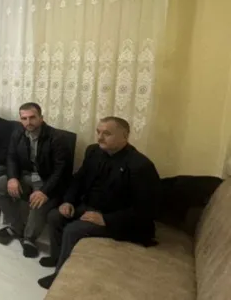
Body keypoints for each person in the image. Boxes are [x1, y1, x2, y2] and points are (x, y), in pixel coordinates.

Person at [37, 117, 161, 289]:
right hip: (88, 207)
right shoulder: (93, 151)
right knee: (54, 216)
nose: (100, 137)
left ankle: (60, 276)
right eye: (98, 132)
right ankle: (57, 257)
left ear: (125, 136)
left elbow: (147, 209)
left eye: (107, 134)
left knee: (73, 230)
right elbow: (78, 179)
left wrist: (106, 220)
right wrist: (68, 201)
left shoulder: (140, 165)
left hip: (117, 218)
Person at [0, 102, 72, 258]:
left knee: (38, 202)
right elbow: (11, 157)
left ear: (41, 118)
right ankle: (17, 226)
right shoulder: (18, 133)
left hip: (48, 181)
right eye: (24, 118)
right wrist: (12, 178)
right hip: (26, 176)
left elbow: (61, 171)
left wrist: (44, 192)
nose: (28, 122)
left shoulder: (57, 138)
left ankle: (29, 238)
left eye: (32, 117)